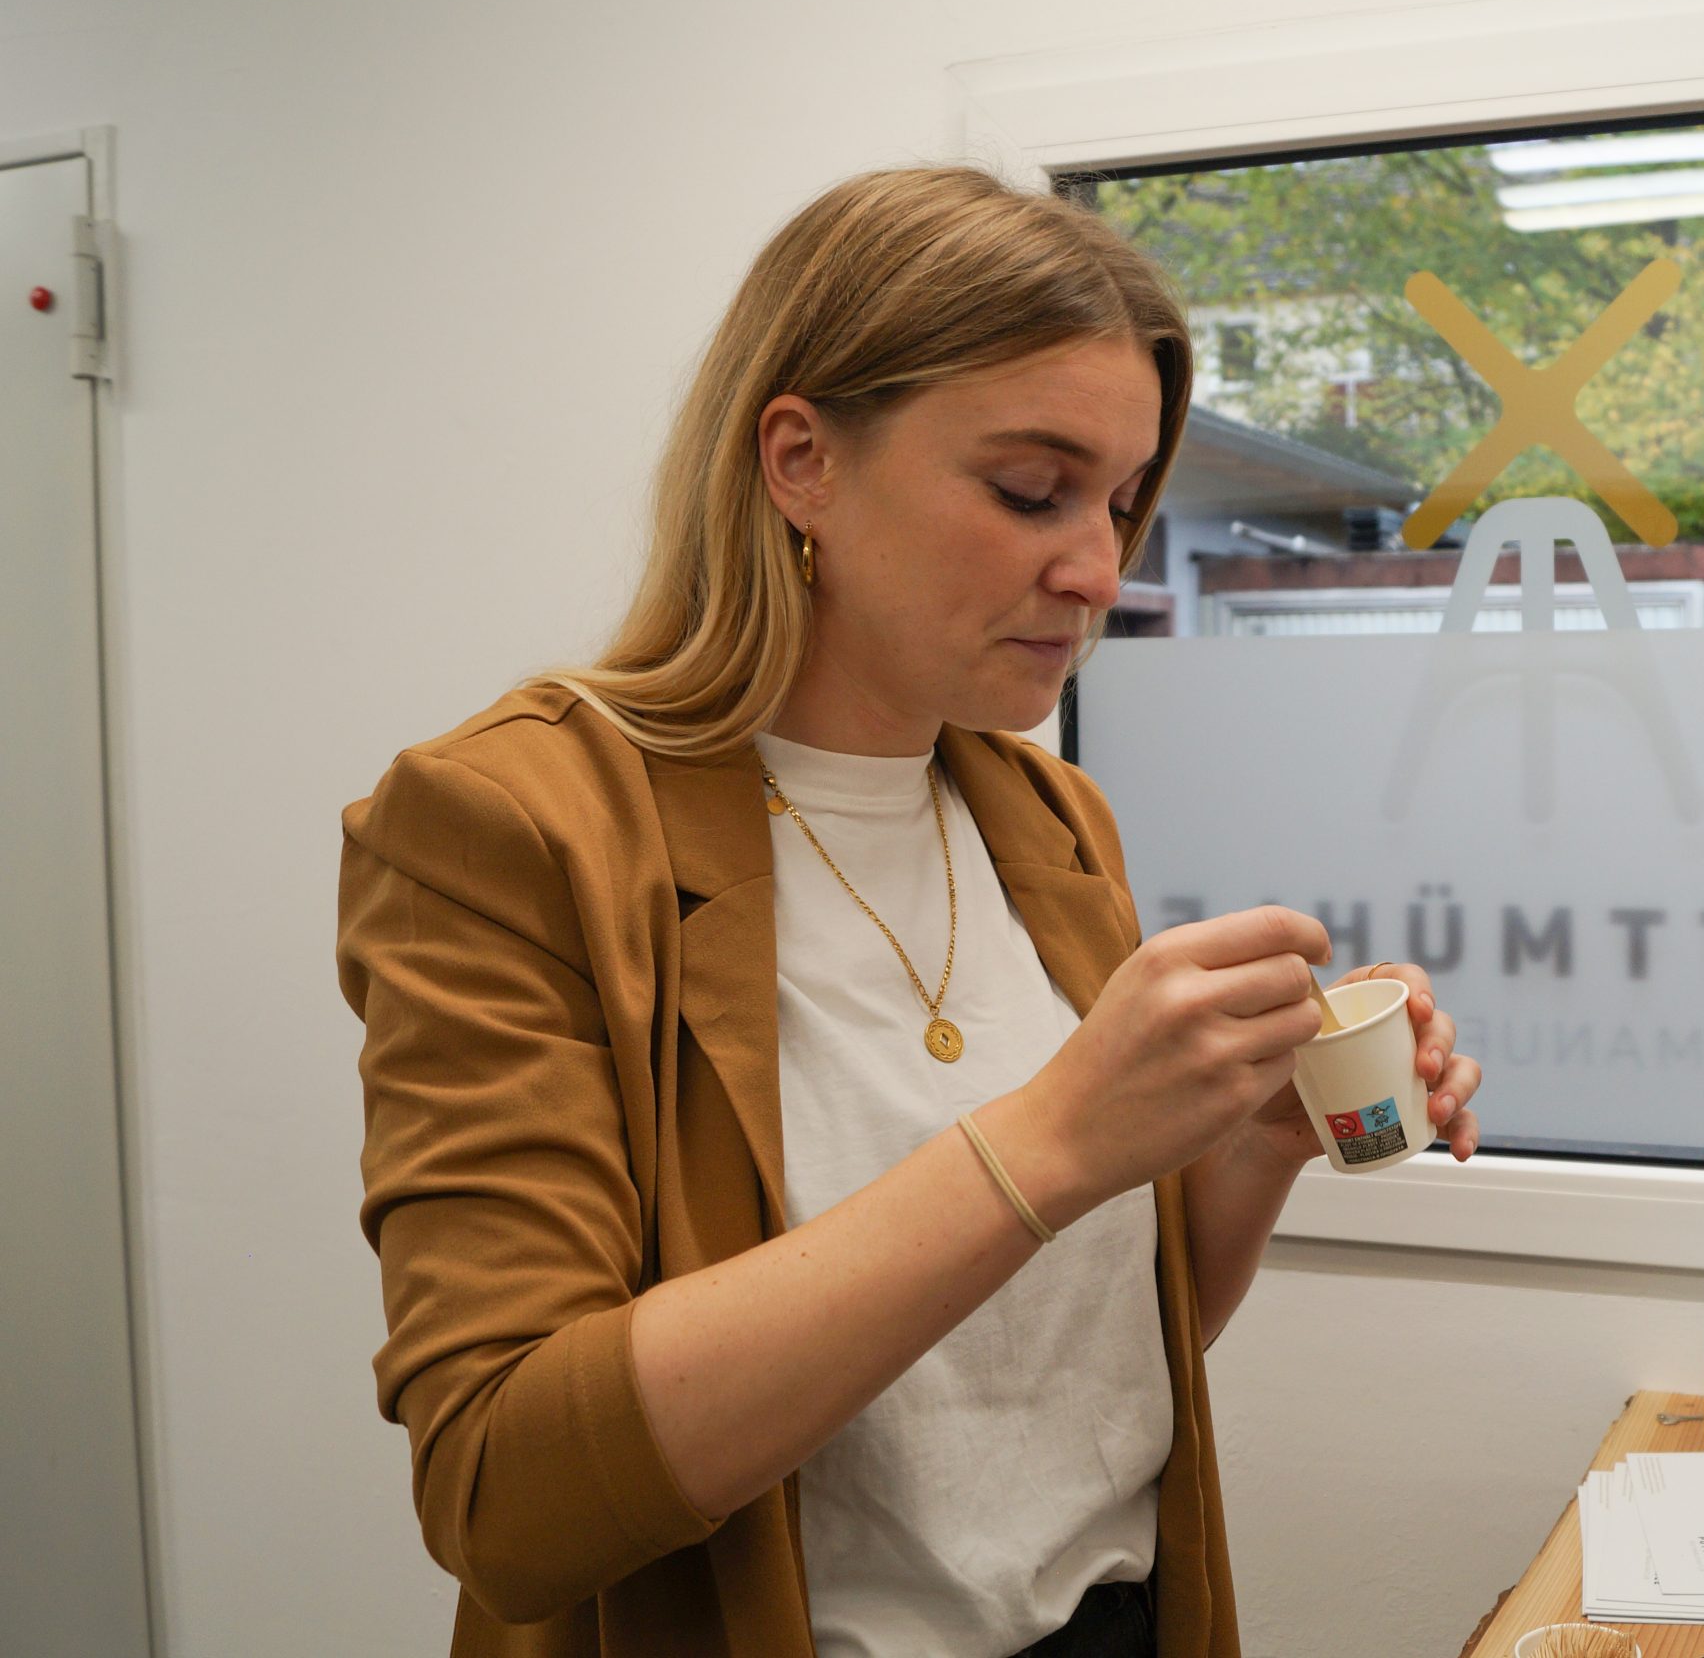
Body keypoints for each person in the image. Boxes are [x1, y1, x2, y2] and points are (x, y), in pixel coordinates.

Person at [333, 164, 1486, 1658]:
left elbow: (1069, 1373)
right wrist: (1058, 1133)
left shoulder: (1051, 820)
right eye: (1030, 490)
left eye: (1126, 502)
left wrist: (1249, 1139)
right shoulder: (511, 827)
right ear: (802, 459)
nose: (1096, 570)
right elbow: (510, 1492)